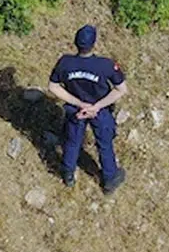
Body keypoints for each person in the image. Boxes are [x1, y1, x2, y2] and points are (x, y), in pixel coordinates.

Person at [46, 24, 128, 193]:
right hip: (100, 111)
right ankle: (109, 179)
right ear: (94, 44)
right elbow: (121, 89)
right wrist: (96, 106)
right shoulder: (105, 65)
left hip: (76, 110)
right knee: (104, 144)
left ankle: (68, 174)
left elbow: (53, 87)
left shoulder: (65, 63)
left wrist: (79, 104)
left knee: (72, 141)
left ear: (76, 43)